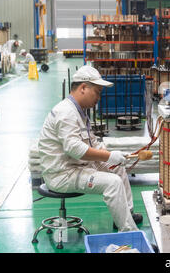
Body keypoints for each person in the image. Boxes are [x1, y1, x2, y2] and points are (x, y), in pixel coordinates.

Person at [38, 65, 142, 232]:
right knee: (112, 183)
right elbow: (75, 150)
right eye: (98, 92)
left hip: (76, 166)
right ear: (83, 88)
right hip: (62, 174)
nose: (99, 98)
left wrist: (114, 156)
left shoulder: (80, 112)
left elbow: (92, 142)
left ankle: (126, 215)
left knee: (117, 169)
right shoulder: (66, 113)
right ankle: (129, 232)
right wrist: (108, 157)